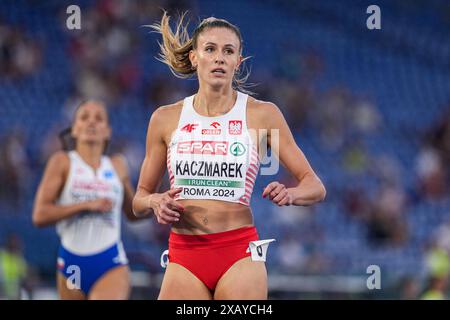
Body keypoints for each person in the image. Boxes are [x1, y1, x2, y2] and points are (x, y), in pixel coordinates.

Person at [132, 12, 326, 300]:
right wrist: (154, 201)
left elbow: (315, 186)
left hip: (238, 253)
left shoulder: (262, 114)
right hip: (184, 255)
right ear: (195, 57)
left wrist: (291, 194)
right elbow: (138, 201)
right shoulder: (165, 118)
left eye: (228, 51)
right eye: (210, 49)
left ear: (238, 61)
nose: (219, 58)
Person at [32, 100, 138, 300]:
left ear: (107, 131)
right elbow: (40, 215)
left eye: (98, 118)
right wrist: (86, 205)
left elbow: (133, 215)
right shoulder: (62, 162)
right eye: (84, 117)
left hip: (110, 260)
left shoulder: (117, 165)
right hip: (71, 262)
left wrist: (151, 201)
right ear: (74, 130)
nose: (91, 122)